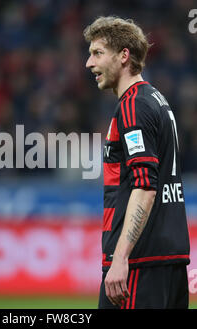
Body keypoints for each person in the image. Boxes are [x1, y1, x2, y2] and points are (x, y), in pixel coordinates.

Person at [84, 16, 190, 309]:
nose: (89, 64)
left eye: (97, 53)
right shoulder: (157, 100)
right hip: (168, 261)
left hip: (139, 264)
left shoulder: (133, 106)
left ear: (123, 56)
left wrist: (120, 259)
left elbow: (145, 186)